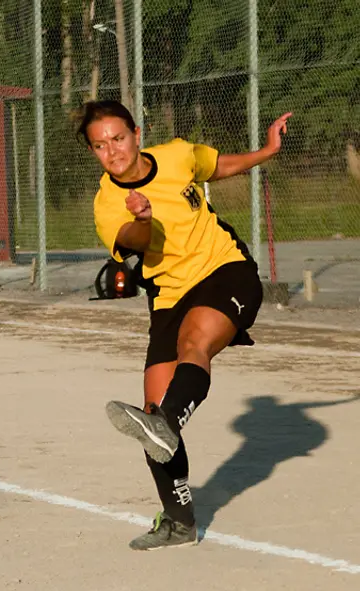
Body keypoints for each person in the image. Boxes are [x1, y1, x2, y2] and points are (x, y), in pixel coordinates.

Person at [78, 100, 291, 551]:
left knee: (194, 345)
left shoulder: (177, 154)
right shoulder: (106, 203)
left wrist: (267, 151)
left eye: (118, 138)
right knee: (150, 416)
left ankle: (167, 422)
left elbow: (215, 165)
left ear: (137, 132)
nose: (112, 151)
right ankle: (180, 522)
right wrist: (142, 217)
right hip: (169, 296)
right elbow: (133, 240)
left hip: (224, 270)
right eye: (100, 146)